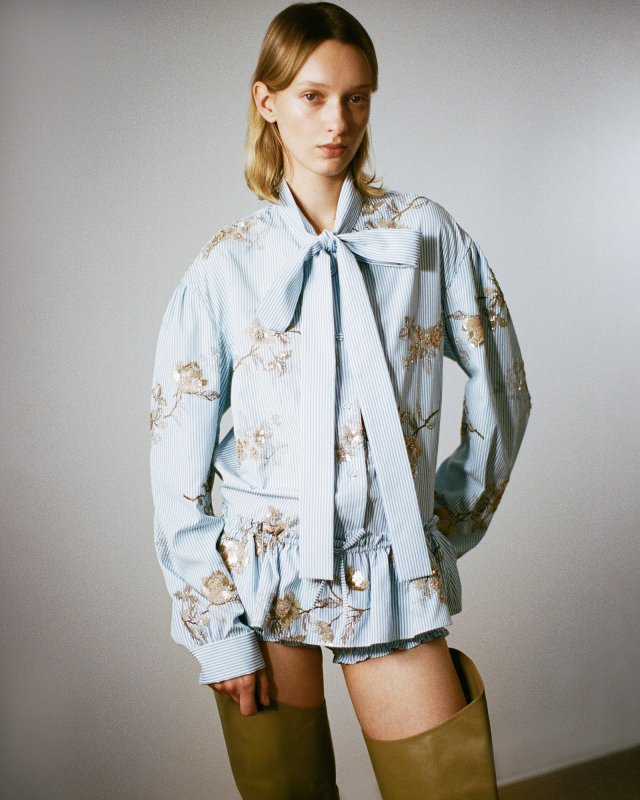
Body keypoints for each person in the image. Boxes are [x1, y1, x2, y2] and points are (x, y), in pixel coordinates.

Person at [149, 2, 531, 798]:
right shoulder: (226, 265)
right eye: (314, 96)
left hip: (388, 567)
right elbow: (176, 457)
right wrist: (214, 624)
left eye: (358, 98)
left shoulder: (424, 235)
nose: (338, 122)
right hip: (259, 573)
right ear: (267, 102)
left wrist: (435, 528)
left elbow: (503, 393)